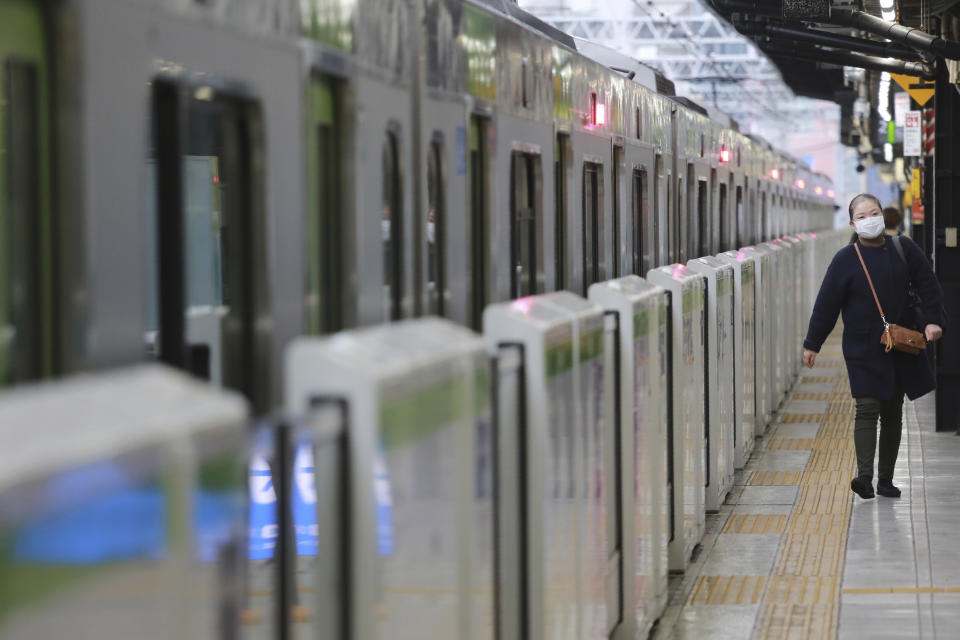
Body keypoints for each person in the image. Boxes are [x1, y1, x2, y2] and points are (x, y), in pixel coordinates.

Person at [802, 194, 944, 499]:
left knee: (892, 410)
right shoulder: (845, 259)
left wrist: (933, 320)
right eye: (862, 216)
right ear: (853, 223)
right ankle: (864, 477)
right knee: (867, 407)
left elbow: (928, 284)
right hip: (862, 347)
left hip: (900, 344)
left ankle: (886, 480)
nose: (870, 219)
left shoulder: (903, 248)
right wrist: (812, 344)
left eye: (874, 212)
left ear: (883, 215)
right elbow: (826, 305)